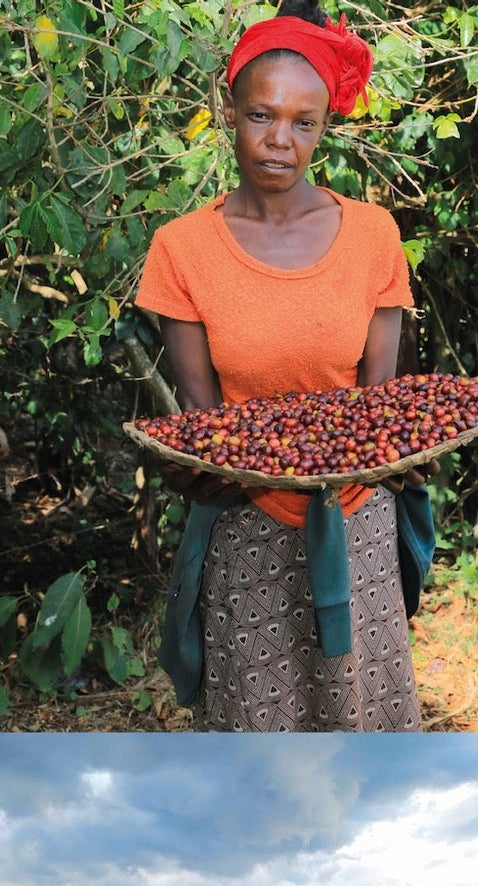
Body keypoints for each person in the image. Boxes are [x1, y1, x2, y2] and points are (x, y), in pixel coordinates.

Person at [137, 0, 428, 732]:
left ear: (325, 129)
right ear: (229, 109)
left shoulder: (372, 235)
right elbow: (209, 423)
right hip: (250, 522)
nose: (280, 142)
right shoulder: (183, 249)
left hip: (355, 519)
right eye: (263, 115)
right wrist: (191, 463)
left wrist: (396, 457)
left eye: (306, 123)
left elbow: (377, 409)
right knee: (257, 723)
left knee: (362, 712)